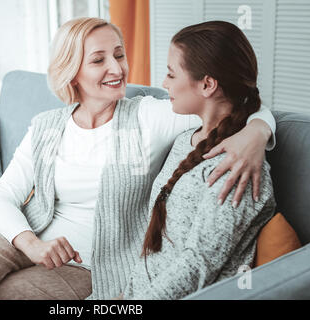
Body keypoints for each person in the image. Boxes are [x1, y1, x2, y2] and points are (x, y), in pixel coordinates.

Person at [0, 17, 275, 300]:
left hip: (91, 262)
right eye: (98, 60)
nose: (117, 68)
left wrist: (258, 133)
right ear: (72, 71)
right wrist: (31, 244)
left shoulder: (150, 115)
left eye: (120, 55)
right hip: (26, 235)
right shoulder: (47, 125)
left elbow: (233, 100)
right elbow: (2, 196)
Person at [121, 21, 276, 300]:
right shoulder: (186, 140)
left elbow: (196, 266)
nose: (163, 83)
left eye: (170, 74)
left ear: (207, 85)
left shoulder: (239, 166)